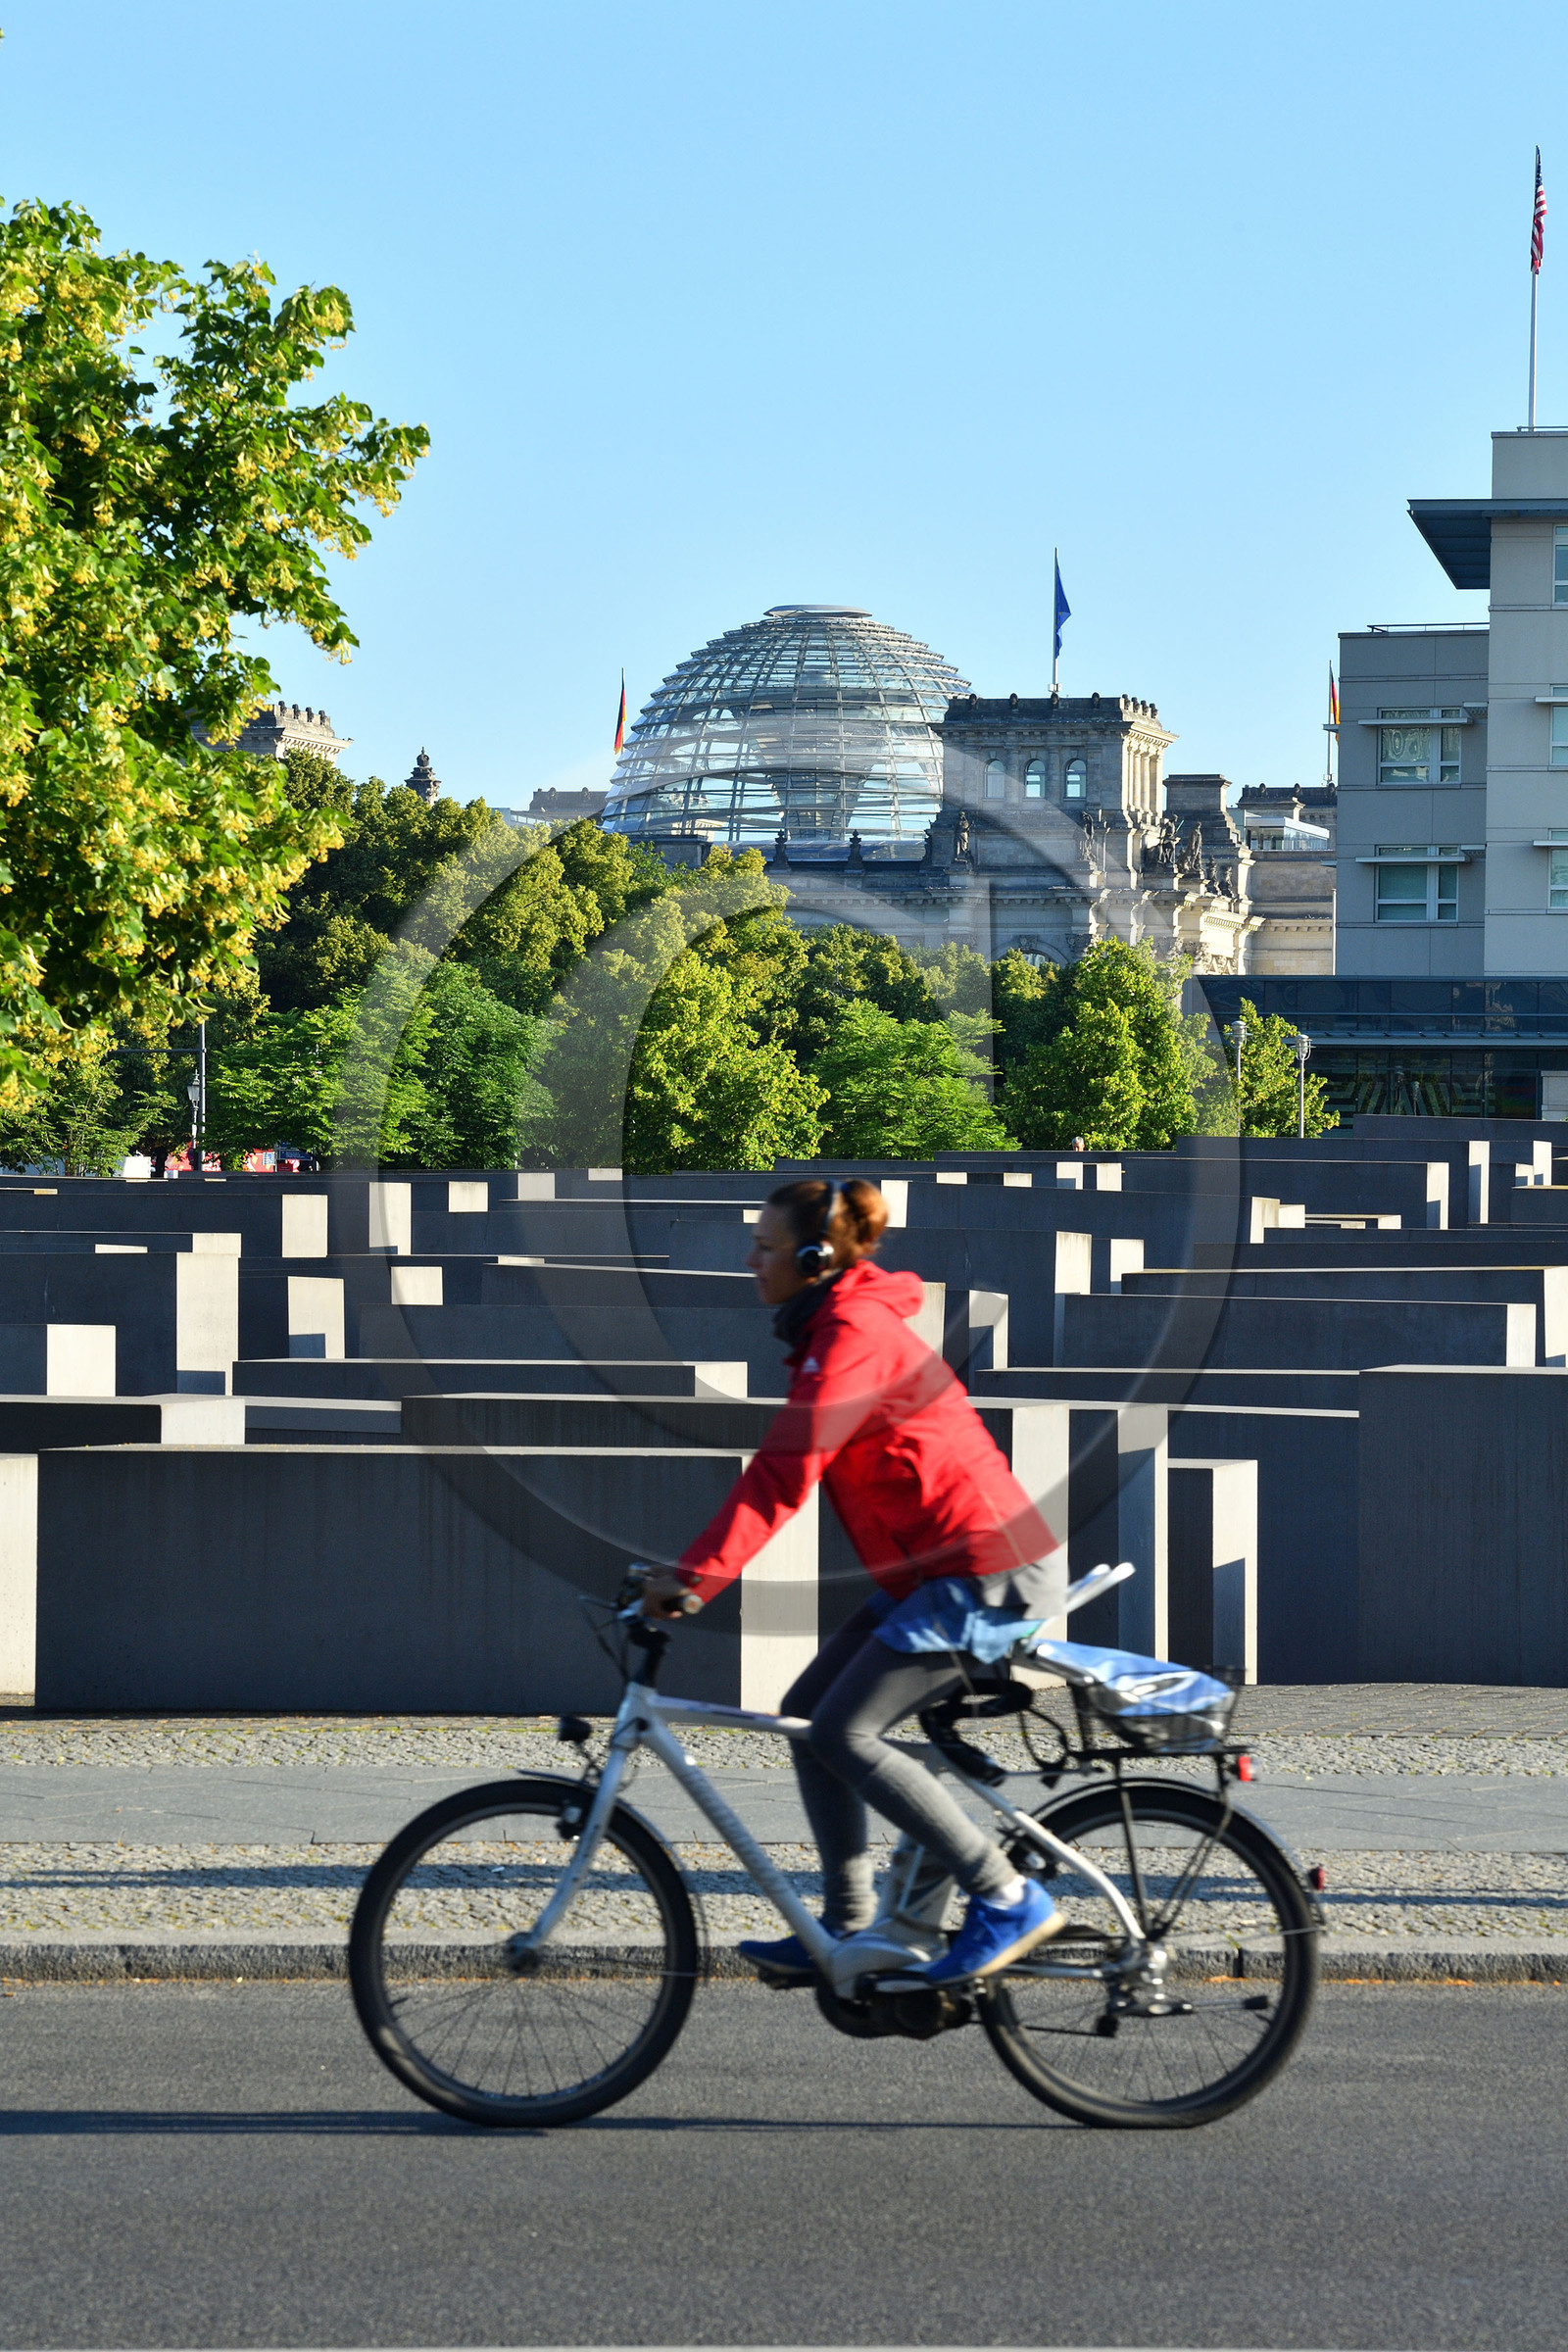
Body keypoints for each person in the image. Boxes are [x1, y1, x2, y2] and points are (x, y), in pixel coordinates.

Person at [639, 1177, 1066, 1987]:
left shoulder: (854, 1333)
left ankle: (1006, 1897)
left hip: (987, 1572)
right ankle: (844, 1924)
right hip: (937, 1572)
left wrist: (695, 1578)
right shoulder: (832, 1329)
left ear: (812, 1256)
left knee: (845, 1733)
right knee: (808, 1718)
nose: (749, 1260)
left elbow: (786, 1470)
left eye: (764, 1247)